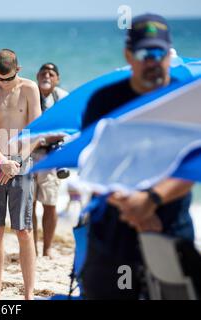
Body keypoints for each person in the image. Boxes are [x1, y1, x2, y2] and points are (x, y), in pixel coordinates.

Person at [80, 13, 195, 299]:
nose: (153, 60)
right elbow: (93, 165)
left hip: (170, 228)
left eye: (160, 52)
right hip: (113, 231)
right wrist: (135, 211)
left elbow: (193, 163)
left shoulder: (188, 99)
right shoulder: (103, 102)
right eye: (145, 53)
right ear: (129, 55)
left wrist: (151, 200)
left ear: (169, 55)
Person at [0, 49, 43, 300]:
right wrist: (3, 161)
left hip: (22, 164)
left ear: (19, 69)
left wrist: (16, 161)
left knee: (23, 230)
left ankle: (29, 293)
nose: (4, 84)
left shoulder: (29, 89)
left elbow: (36, 133)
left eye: (8, 78)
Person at [32, 62, 69, 257]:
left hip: (51, 156)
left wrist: (42, 139)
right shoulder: (29, 94)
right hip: (28, 155)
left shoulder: (62, 97)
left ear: (57, 79)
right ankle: (33, 249)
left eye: (51, 73)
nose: (47, 75)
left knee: (50, 203)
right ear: (37, 76)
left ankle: (47, 249)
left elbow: (68, 127)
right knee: (28, 203)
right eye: (43, 72)